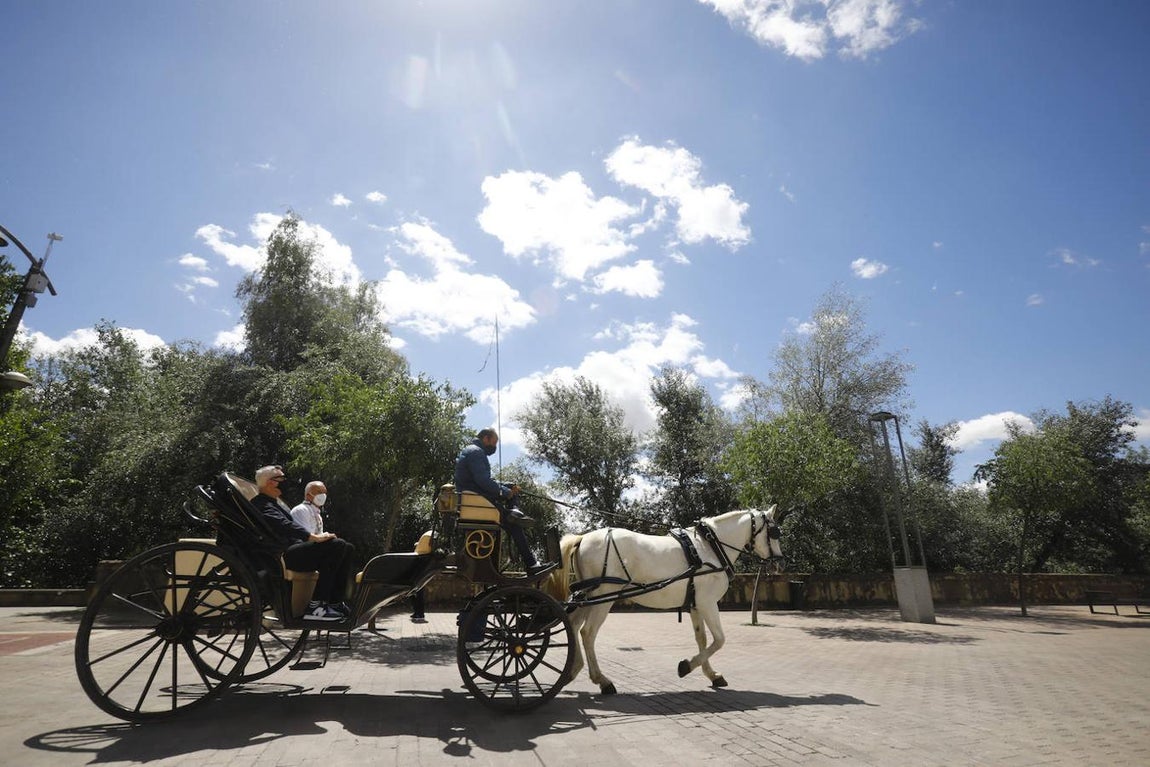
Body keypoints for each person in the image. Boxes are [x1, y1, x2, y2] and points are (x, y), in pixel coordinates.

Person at [250, 465, 354, 622]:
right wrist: (311, 536)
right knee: (336, 545)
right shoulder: (261, 504)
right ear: (271, 482)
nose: (285, 482)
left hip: (292, 551)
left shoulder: (273, 503)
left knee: (347, 548)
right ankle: (316, 606)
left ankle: (335, 603)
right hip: (281, 556)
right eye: (281, 479)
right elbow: (283, 525)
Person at [453, 428, 552, 575]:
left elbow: (480, 481)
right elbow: (483, 481)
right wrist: (504, 492)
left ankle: (515, 512)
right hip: (477, 502)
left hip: (475, 498)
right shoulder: (476, 452)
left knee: (511, 489)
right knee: (514, 526)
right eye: (494, 443)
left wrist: (507, 487)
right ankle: (531, 564)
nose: (494, 447)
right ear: (486, 438)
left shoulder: (471, 450)